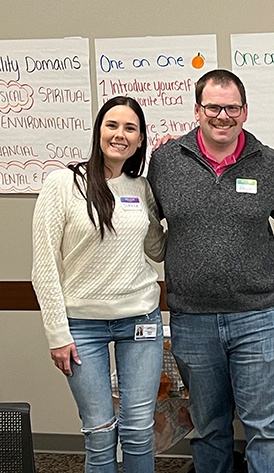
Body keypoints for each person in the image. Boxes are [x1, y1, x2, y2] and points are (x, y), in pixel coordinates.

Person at [147, 69, 274, 473]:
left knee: (267, 428)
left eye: (231, 108)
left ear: (245, 111)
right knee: (209, 429)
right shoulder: (165, 162)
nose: (222, 116)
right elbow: (136, 217)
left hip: (258, 317)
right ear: (197, 110)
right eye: (213, 107)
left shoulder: (268, 164)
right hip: (193, 320)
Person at [32, 96, 166, 473]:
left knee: (140, 431)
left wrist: (167, 208)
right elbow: (44, 265)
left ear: (140, 140)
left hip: (139, 320)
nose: (120, 134)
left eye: (130, 128)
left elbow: (157, 250)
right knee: (100, 432)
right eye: (112, 125)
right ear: (98, 131)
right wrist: (57, 332)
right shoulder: (64, 183)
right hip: (81, 327)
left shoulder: (141, 188)